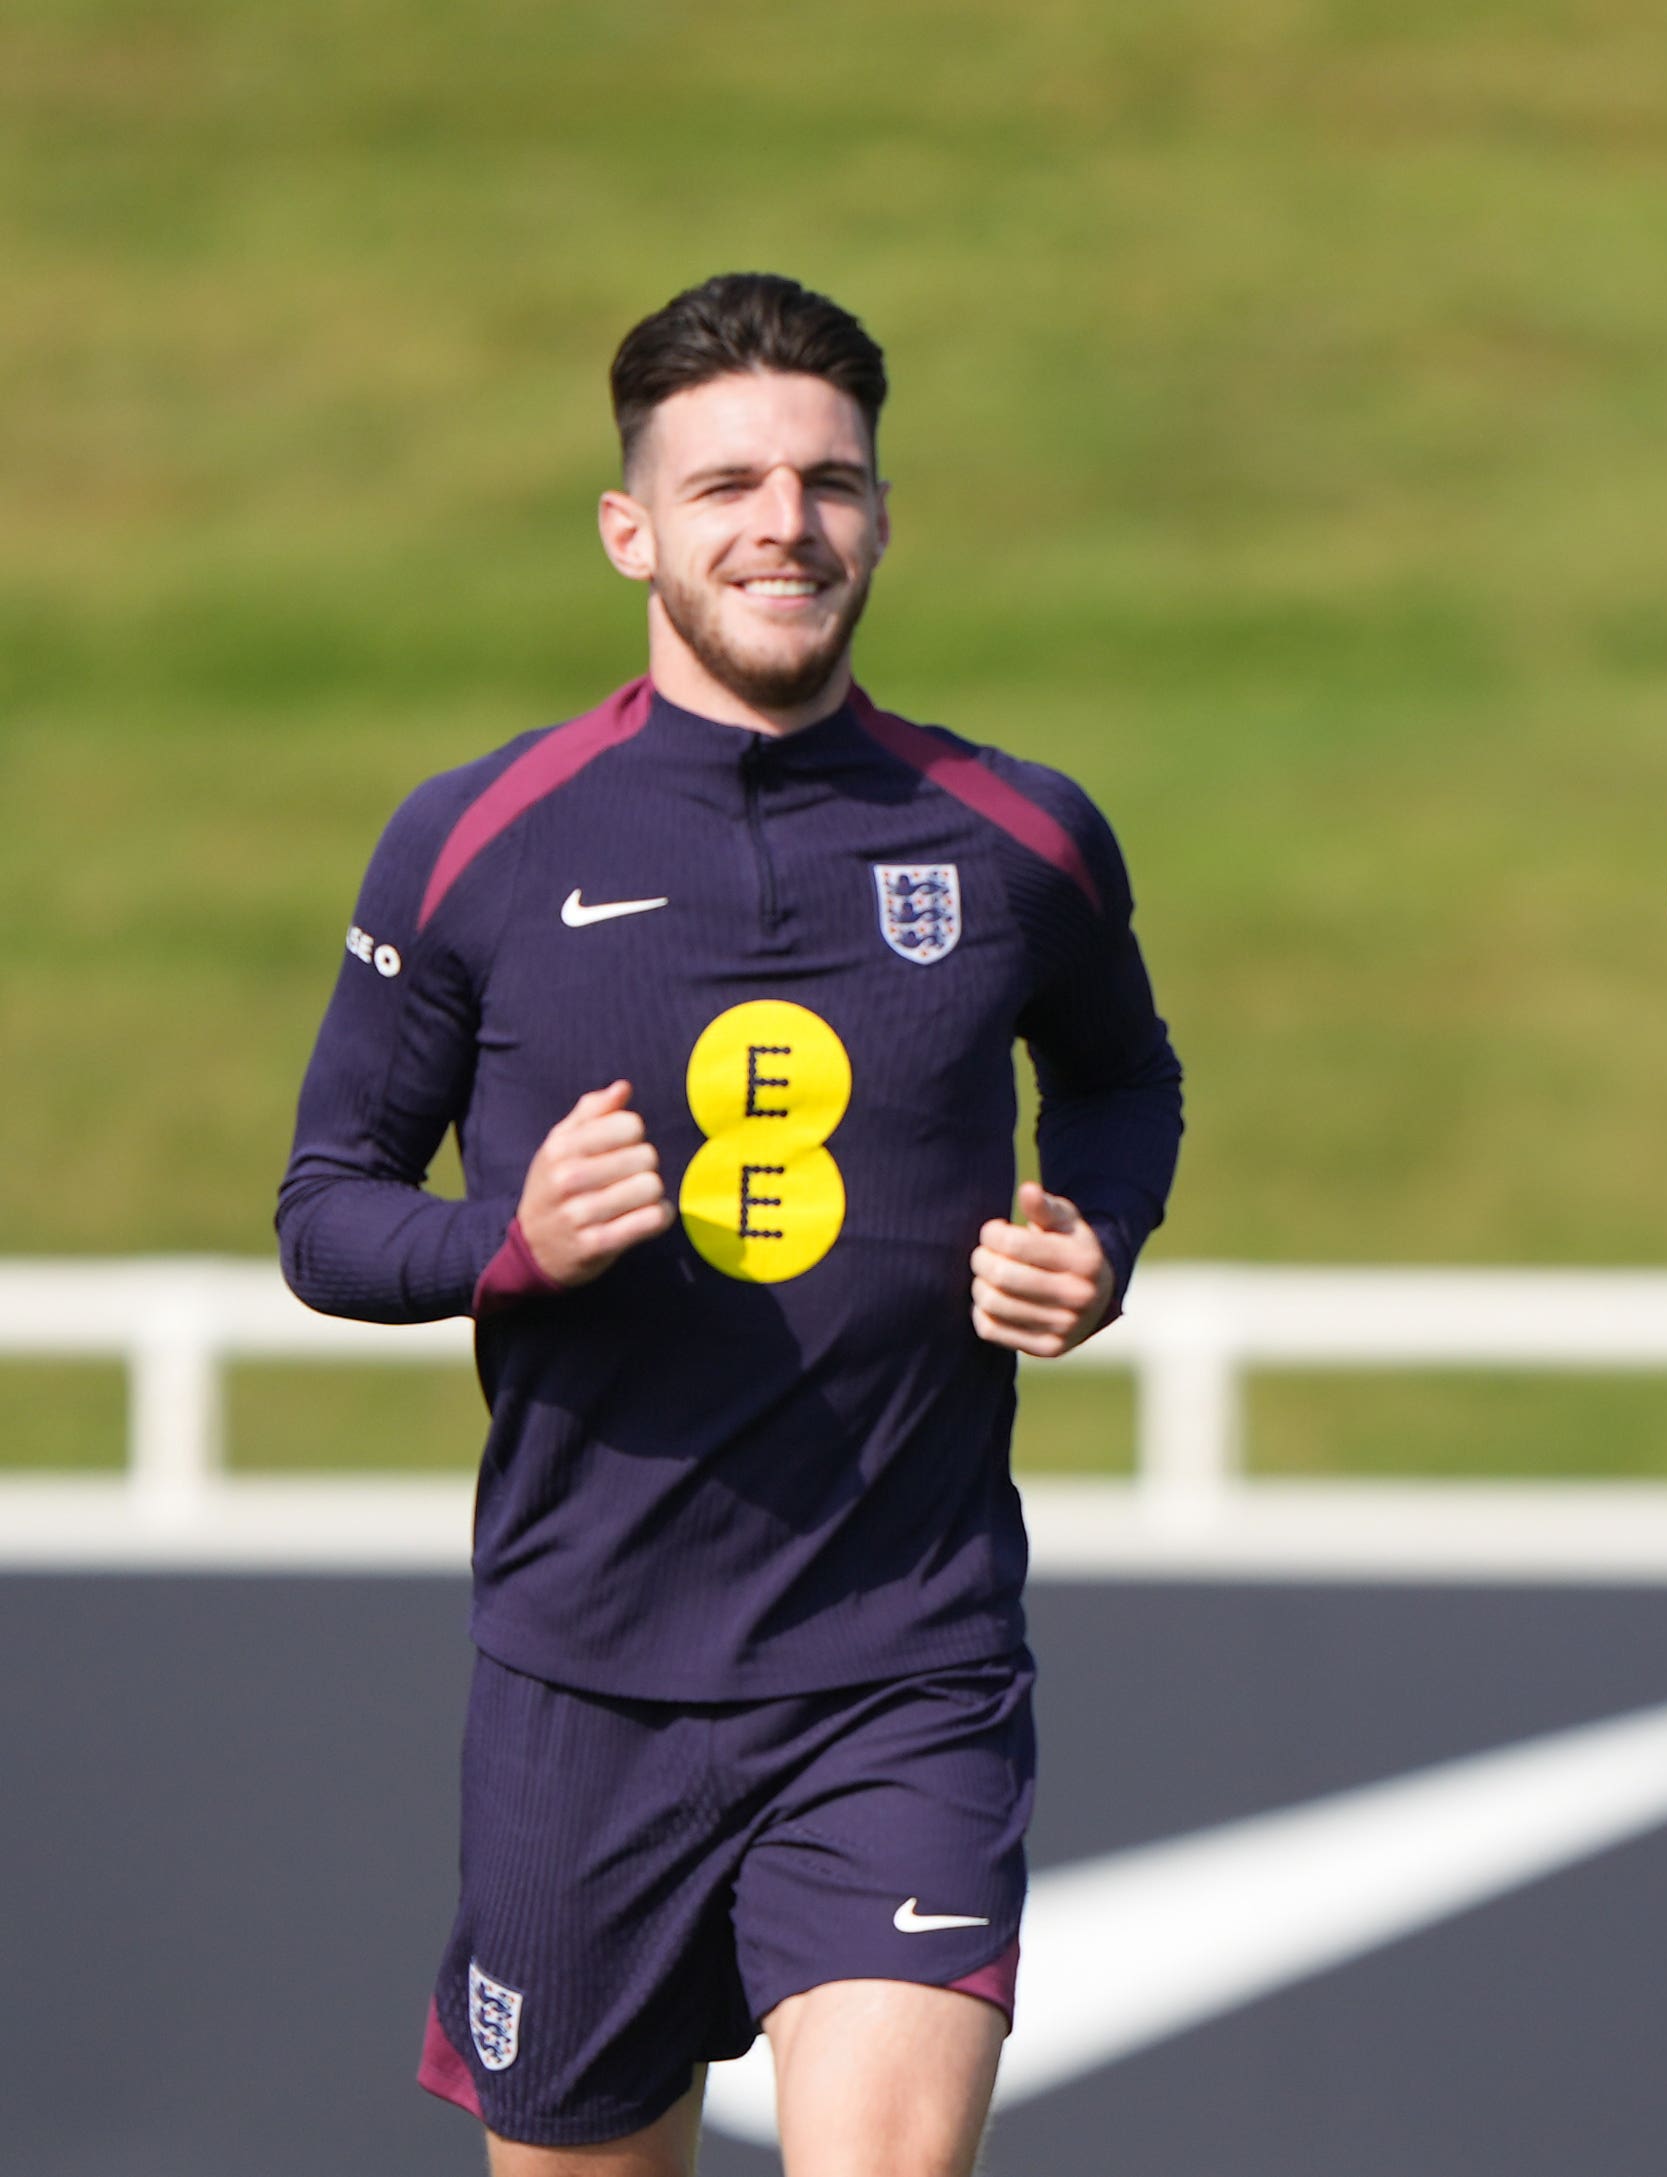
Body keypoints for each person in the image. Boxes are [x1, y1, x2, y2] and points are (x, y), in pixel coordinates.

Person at [278, 272, 1183, 2175]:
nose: (787, 523)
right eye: (728, 486)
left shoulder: (1018, 836)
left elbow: (1120, 1079)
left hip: (904, 1663)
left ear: (880, 513)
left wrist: (1091, 1237)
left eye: (830, 480)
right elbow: (330, 1214)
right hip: (578, 1678)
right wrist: (507, 1247)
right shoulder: (477, 839)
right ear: (631, 530)